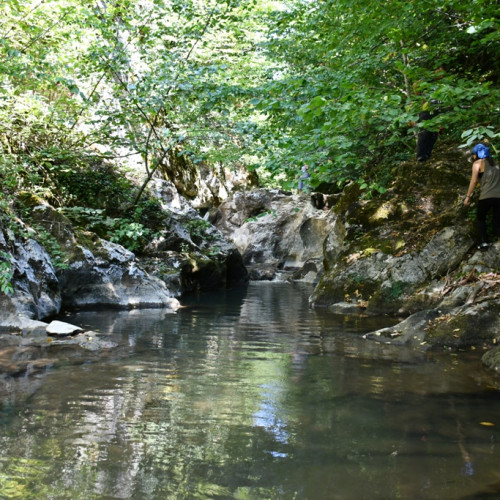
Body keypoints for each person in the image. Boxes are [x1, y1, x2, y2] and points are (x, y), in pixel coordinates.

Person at [463, 143, 500, 250]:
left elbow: (474, 181)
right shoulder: (496, 164)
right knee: (497, 221)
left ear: (477, 154)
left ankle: (484, 243)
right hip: (499, 197)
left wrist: (468, 196)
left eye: (474, 154)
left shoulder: (477, 163)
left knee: (480, 219)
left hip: (486, 196)